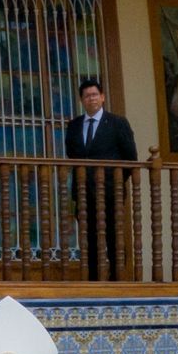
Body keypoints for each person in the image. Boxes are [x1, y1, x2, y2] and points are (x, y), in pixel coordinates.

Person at [63, 76, 138, 280]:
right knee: (89, 239)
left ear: (103, 97)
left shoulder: (117, 123)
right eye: (87, 96)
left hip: (110, 192)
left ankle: (117, 281)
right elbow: (73, 155)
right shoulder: (74, 125)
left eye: (95, 94)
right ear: (81, 100)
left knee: (114, 237)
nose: (91, 99)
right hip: (83, 193)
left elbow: (130, 158)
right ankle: (94, 282)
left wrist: (114, 183)